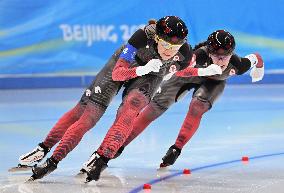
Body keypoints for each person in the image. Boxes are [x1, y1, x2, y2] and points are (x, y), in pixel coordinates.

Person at [19, 16, 222, 181]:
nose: (169, 52)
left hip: (151, 75)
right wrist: (141, 68)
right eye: (166, 45)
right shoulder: (141, 37)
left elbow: (182, 72)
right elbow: (117, 74)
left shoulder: (184, 53)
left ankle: (102, 157)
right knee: (88, 115)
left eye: (175, 48)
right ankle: (47, 152)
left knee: (131, 109)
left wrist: (201, 71)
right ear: (157, 39)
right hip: (124, 67)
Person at [113, 29, 265, 168]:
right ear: (209, 52)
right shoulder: (197, 55)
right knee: (155, 107)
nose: (221, 61)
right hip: (190, 74)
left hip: (214, 83)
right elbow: (179, 73)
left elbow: (256, 57)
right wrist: (201, 71)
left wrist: (259, 67)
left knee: (197, 106)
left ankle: (176, 149)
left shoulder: (238, 65)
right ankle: (120, 145)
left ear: (232, 54)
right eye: (217, 57)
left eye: (225, 57)